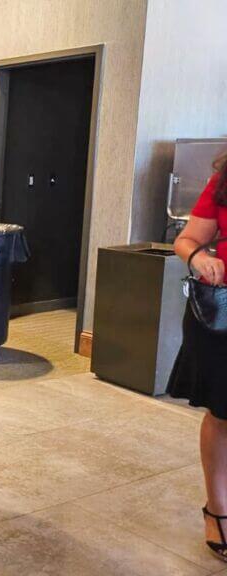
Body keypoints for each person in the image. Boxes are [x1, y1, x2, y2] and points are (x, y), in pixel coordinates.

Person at [169, 154, 227, 561]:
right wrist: (199, 258)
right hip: (224, 316)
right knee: (223, 415)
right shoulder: (225, 180)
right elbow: (186, 239)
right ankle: (218, 511)